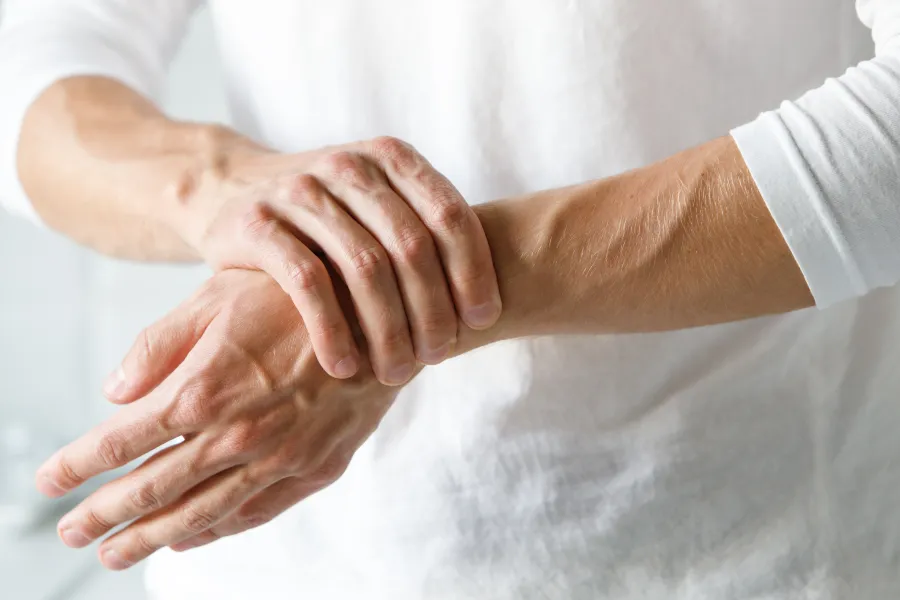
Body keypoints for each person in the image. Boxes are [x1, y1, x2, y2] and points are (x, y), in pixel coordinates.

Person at [2, 0, 899, 597]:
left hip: (741, 551)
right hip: (284, 563)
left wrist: (379, 292)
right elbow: (35, 54)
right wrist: (227, 193)